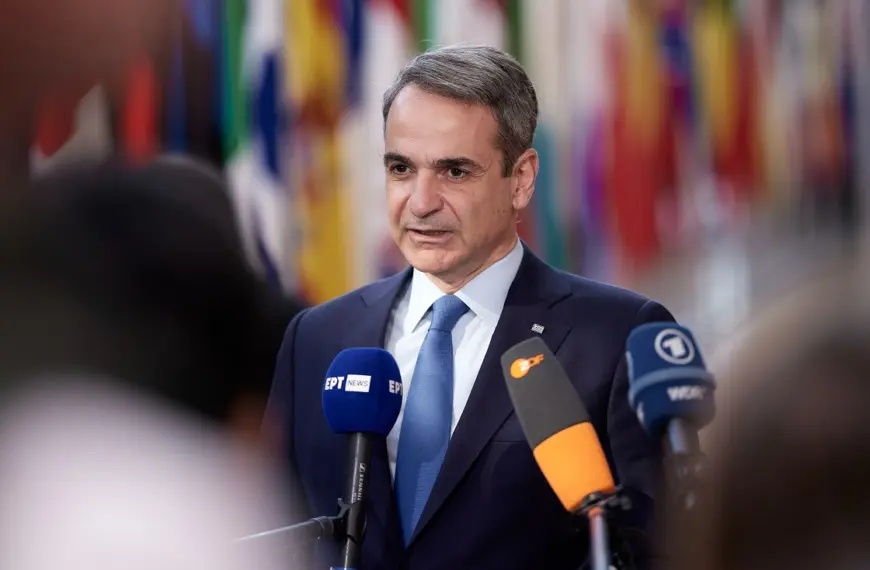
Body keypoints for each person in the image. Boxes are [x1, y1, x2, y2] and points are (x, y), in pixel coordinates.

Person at [267, 44, 674, 570]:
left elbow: (657, 548)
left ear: (521, 179)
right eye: (401, 168)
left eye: (455, 172)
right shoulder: (316, 339)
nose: (421, 202)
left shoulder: (616, 339)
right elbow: (265, 523)